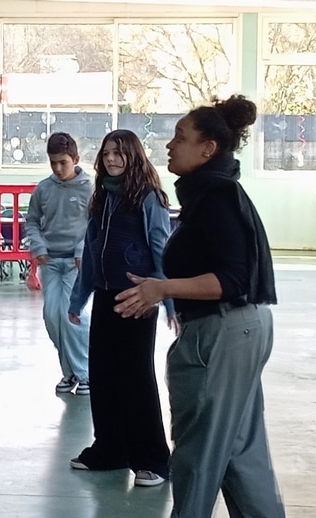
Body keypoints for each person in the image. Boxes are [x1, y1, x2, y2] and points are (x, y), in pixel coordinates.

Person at [113, 95, 285, 517]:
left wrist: (162, 289)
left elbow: (232, 280)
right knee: (241, 453)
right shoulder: (212, 195)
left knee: (198, 456)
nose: (170, 146)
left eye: (181, 137)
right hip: (243, 329)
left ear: (208, 149)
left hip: (224, 333)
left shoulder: (217, 199)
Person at [67, 129, 174, 487]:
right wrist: (78, 298)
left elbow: (161, 248)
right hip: (105, 295)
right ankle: (111, 449)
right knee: (103, 375)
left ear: (134, 156)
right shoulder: (102, 199)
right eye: (107, 153)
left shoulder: (148, 198)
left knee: (136, 378)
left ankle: (154, 459)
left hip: (137, 299)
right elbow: (91, 250)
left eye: (119, 153)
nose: (112, 159)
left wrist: (167, 299)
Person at [25, 132, 94, 395]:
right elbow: (32, 221)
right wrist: (38, 246)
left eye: (63, 162)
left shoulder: (89, 188)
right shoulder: (43, 188)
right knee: (52, 316)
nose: (57, 168)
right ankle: (70, 373)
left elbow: (95, 224)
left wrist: (82, 249)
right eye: (53, 162)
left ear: (75, 159)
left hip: (77, 264)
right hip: (51, 261)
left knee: (71, 316)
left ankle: (86, 372)